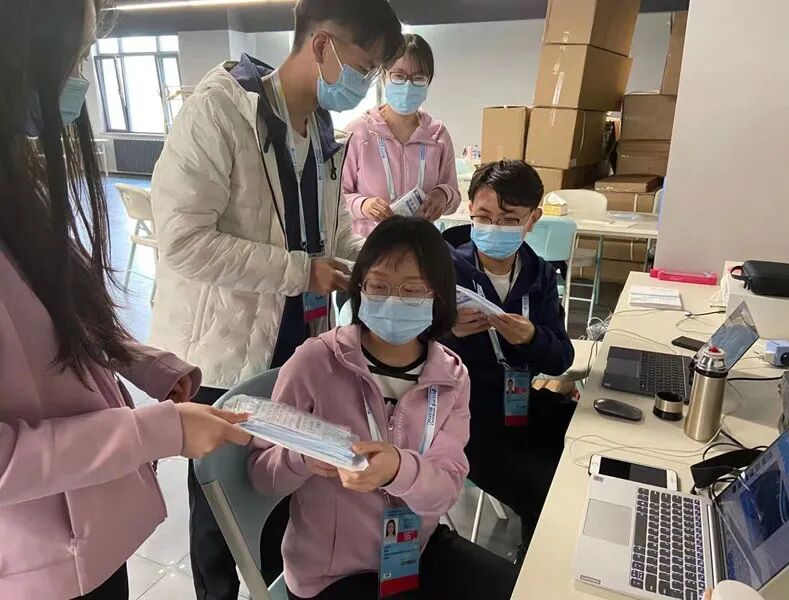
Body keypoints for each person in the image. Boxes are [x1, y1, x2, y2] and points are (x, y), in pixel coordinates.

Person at [148, 1, 404, 597]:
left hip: (298, 349)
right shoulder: (219, 112)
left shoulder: (321, 129)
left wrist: (376, 263)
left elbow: (327, 233)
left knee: (277, 489)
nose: (365, 84)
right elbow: (183, 242)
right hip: (226, 352)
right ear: (322, 46)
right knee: (221, 510)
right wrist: (300, 271)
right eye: (364, 66)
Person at [0, 1, 252, 598]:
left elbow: (61, 319)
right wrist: (157, 431)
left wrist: (146, 364)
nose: (80, 78)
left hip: (86, 535)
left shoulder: (17, 186)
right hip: (37, 559)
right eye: (74, 57)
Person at [249, 217, 517, 600]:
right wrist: (302, 458)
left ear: (438, 297)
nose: (393, 301)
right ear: (359, 287)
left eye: (413, 290)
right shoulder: (315, 362)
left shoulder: (450, 376)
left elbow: (445, 491)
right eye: (378, 286)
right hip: (330, 572)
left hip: (413, 547)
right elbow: (261, 475)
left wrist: (398, 470)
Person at [442, 160, 576, 561]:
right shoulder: (442, 271)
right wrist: (447, 331)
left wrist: (532, 338)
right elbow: (400, 350)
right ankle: (534, 563)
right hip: (464, 421)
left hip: (520, 405)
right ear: (469, 209)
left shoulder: (540, 275)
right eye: (484, 217)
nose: (494, 228)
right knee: (545, 488)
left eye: (509, 220)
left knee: (590, 446)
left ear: (532, 220)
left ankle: (555, 548)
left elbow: (561, 357)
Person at [342, 33, 460, 237]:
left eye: (418, 78)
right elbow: (335, 198)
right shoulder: (359, 132)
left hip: (419, 244)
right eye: (398, 76)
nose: (407, 86)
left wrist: (443, 195)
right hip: (370, 245)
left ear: (428, 81)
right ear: (383, 76)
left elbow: (454, 195)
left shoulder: (437, 135)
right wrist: (362, 205)